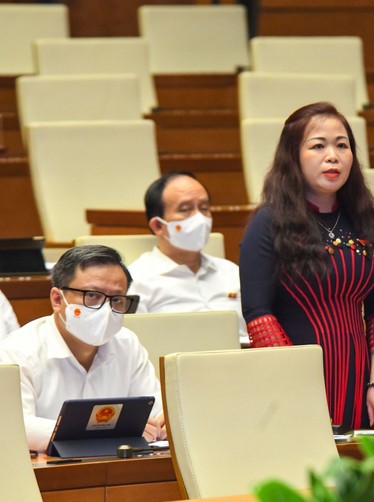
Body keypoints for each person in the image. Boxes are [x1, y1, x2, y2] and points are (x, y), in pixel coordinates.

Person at [239, 102, 374, 431]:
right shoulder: (268, 222)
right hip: (294, 385)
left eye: (342, 145)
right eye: (318, 146)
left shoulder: (365, 219)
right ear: (293, 156)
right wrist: (298, 384)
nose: (334, 156)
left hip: (362, 384)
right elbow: (259, 316)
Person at [0, 245, 165, 452]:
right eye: (92, 296)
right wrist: (105, 431)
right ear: (57, 299)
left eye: (116, 300)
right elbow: (15, 427)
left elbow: (156, 413)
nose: (106, 310)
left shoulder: (127, 343)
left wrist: (165, 422)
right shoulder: (16, 351)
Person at [127, 171, 248, 344]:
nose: (199, 218)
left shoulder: (231, 272)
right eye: (185, 210)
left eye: (204, 208)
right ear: (158, 226)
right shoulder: (136, 281)